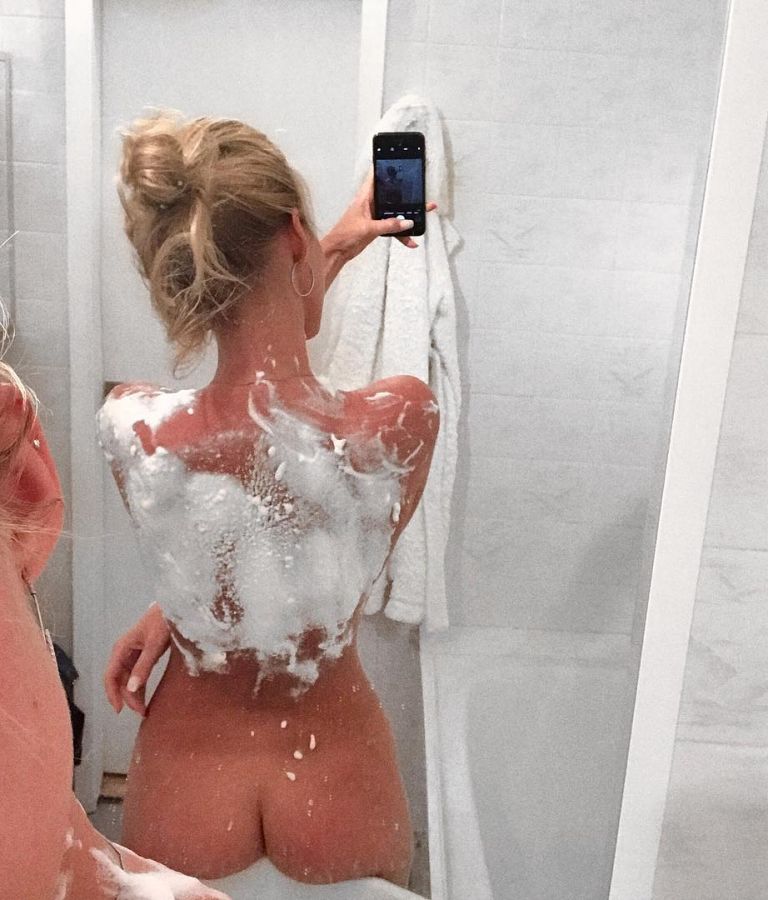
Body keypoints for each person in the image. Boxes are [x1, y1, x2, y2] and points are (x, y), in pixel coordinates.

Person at [99, 112, 439, 887]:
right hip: (336, 775)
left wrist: (182, 606)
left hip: (188, 778)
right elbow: (320, 533)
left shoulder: (134, 428)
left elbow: (241, 494)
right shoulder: (400, 421)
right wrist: (325, 248)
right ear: (292, 235)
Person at [0, 332, 230, 899]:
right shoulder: (396, 409)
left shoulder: (134, 412)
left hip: (186, 758)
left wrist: (181, 597)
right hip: (337, 756)